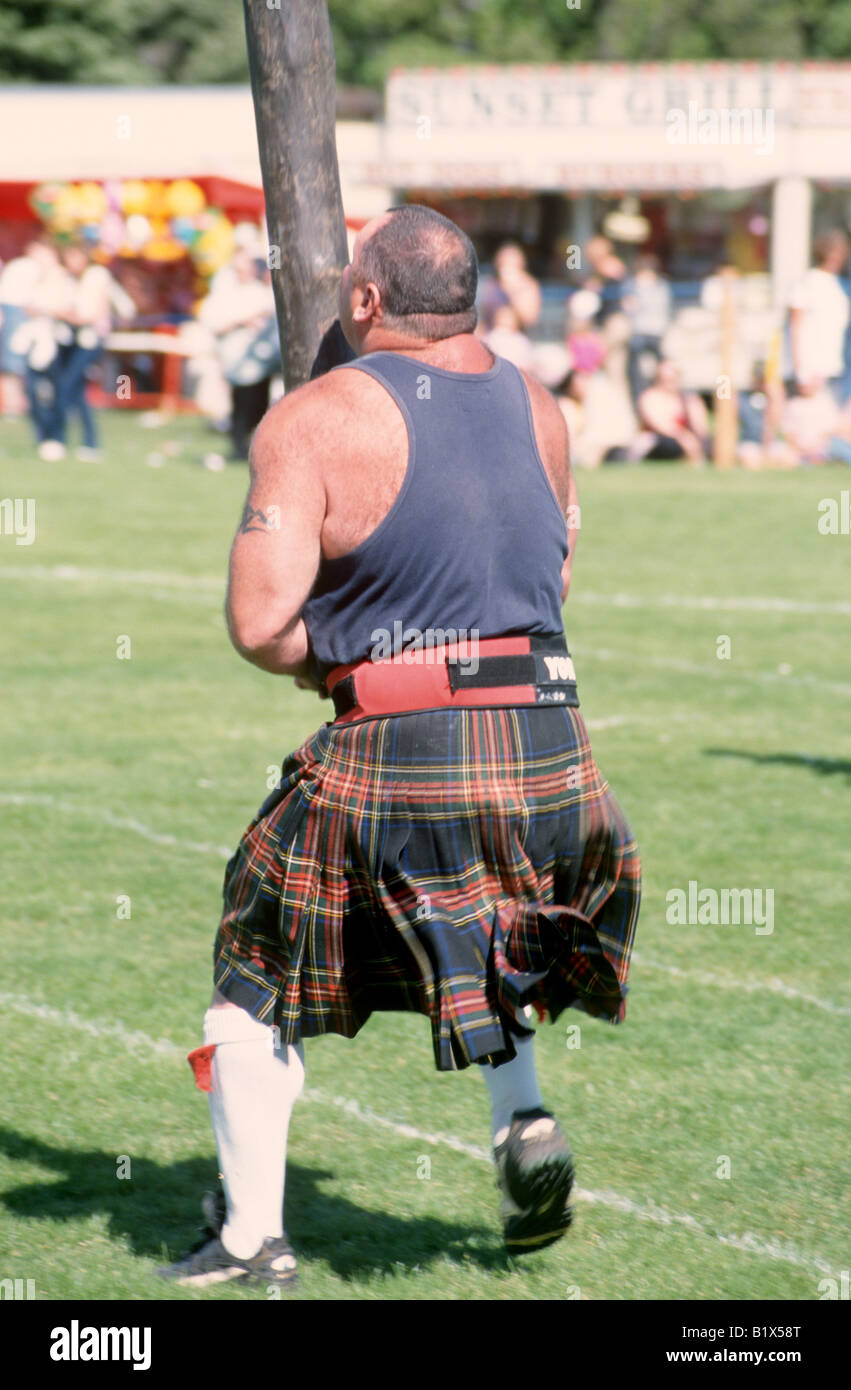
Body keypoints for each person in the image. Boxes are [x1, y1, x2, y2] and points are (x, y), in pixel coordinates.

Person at [159, 205, 641, 1289]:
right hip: (551, 741)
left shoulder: (313, 418)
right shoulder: (539, 400)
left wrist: (347, 655)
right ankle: (522, 1128)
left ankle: (250, 1237)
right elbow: (551, 576)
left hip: (404, 737)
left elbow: (258, 621)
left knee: (256, 969)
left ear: (368, 302)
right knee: (489, 933)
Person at [49, 241, 136, 461]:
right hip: (69, 339)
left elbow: (90, 313)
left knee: (67, 387)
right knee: (76, 392)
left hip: (89, 339)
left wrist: (66, 314)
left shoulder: (96, 276)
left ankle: (57, 437)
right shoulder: (65, 277)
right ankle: (88, 442)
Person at [200, 248, 279, 461]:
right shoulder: (224, 293)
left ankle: (253, 446)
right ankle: (239, 445)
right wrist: (243, 321)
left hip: (261, 361)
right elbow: (215, 324)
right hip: (237, 359)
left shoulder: (260, 292)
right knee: (242, 405)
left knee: (259, 404)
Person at [787, 230, 850, 403]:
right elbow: (795, 327)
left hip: (834, 366)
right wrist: (801, 372)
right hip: (812, 368)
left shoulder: (838, 285)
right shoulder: (807, 283)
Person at [631, 359, 709, 463]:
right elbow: (659, 425)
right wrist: (683, 436)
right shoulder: (650, 397)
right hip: (661, 441)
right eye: (664, 379)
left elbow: (701, 427)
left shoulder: (688, 398)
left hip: (685, 439)